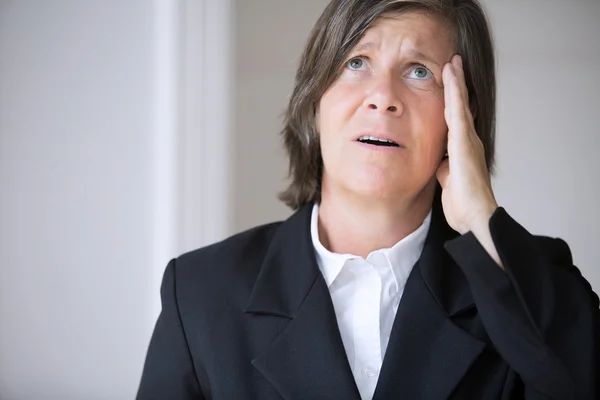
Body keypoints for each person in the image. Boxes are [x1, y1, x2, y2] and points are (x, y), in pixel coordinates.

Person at [136, 0, 599, 399]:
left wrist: (481, 218)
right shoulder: (199, 293)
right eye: (357, 62)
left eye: (419, 72)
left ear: (462, 119)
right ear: (315, 97)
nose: (382, 97)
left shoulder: (528, 285)